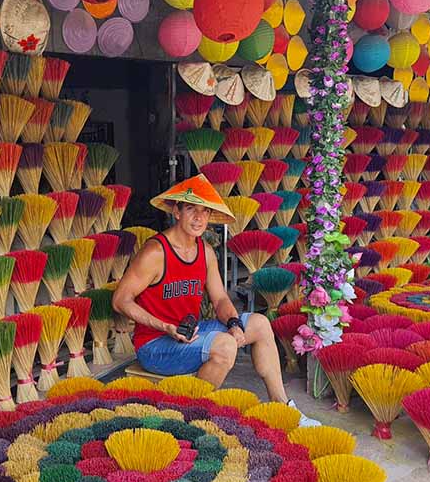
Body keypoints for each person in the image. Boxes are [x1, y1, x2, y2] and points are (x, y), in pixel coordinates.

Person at [113, 175, 318, 426]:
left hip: (191, 334)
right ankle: (190, 416)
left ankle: (283, 406)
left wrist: (233, 322)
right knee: (225, 346)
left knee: (260, 324)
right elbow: (121, 300)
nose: (199, 218)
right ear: (176, 211)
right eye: (191, 209)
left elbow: (220, 298)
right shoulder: (156, 252)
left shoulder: (205, 251)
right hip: (155, 345)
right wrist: (165, 327)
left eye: (205, 211)